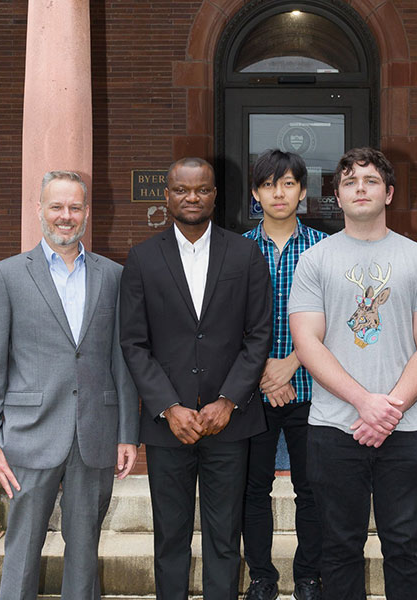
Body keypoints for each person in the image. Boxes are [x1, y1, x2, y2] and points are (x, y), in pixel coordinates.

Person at [289, 147, 417, 600]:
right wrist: (365, 403)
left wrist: (389, 407)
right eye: (349, 181)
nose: (360, 188)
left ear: (390, 193)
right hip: (334, 428)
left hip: (408, 427)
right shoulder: (314, 261)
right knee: (339, 546)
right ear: (336, 197)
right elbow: (307, 343)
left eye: (371, 180)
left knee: (404, 545)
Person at [0, 170, 139, 600]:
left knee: (85, 552)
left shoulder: (113, 275)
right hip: (27, 437)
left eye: (75, 207)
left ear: (86, 211)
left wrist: (127, 434)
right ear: (40, 210)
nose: (66, 216)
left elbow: (121, 359)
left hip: (95, 434)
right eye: (57, 206)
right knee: (22, 550)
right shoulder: (6, 275)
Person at [119, 157, 272, 600]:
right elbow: (133, 342)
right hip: (169, 426)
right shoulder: (143, 258)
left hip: (229, 423)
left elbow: (259, 334)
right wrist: (168, 406)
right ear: (166, 195)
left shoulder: (245, 253)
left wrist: (228, 401)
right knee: (170, 538)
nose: (192, 198)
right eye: (182, 190)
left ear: (215, 195)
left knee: (225, 540)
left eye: (202, 189)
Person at [241, 149, 326, 600]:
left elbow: (336, 316)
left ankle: (309, 577)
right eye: (270, 184)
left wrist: (292, 362)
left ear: (303, 191)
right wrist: (261, 375)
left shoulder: (324, 247)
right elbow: (221, 324)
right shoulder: (236, 249)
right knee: (253, 490)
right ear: (256, 193)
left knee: (310, 490)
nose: (279, 192)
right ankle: (261, 578)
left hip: (311, 386)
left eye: (288, 183)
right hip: (250, 392)